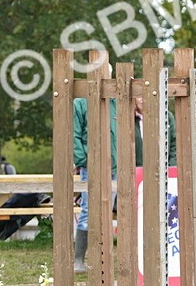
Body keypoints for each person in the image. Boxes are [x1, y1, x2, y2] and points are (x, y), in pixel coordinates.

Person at [73, 89, 176, 272]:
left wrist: (171, 168)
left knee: (136, 215)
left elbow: (172, 144)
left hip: (132, 169)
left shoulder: (160, 116)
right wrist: (83, 160)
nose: (142, 100)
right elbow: (76, 135)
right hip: (104, 166)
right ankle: (80, 259)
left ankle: (131, 258)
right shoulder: (84, 103)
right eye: (139, 96)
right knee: (90, 211)